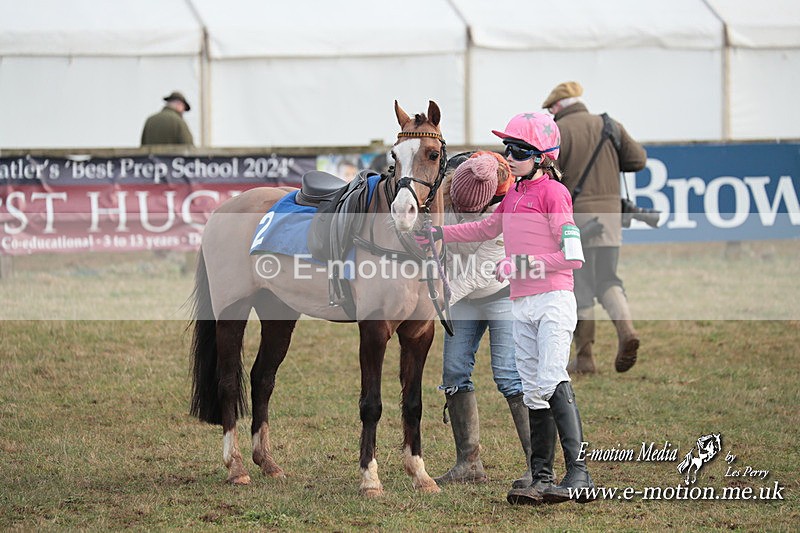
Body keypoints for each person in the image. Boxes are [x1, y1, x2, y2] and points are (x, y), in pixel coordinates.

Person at [416, 112, 595, 505]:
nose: (508, 157)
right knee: (532, 388)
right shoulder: (514, 194)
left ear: (541, 157)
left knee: (549, 380)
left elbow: (573, 256)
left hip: (552, 300)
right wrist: (439, 232)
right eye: (506, 149)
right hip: (522, 303)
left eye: (517, 151)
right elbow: (484, 228)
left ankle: (579, 473)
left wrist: (521, 266)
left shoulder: (555, 194)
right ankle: (542, 478)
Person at [434, 151, 532, 490]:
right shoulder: (449, 189)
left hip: (501, 292)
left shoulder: (507, 207)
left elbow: (480, 272)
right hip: (462, 298)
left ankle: (538, 466)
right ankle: (468, 463)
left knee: (509, 376)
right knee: (454, 373)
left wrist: (435, 301)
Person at [542, 81, 647, 374]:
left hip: (574, 220)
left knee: (581, 287)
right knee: (609, 279)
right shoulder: (609, 125)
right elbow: (638, 160)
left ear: (557, 107)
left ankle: (585, 357)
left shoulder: (558, 132)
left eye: (550, 109)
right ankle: (626, 330)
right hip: (610, 219)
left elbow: (549, 175)